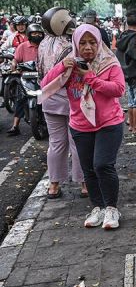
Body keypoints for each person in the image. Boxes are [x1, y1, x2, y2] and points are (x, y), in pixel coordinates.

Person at [41, 24, 126, 230]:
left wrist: (90, 78)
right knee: (88, 169)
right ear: (76, 44)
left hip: (109, 123)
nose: (88, 47)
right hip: (80, 125)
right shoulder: (70, 65)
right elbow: (46, 84)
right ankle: (97, 207)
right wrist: (62, 66)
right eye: (83, 43)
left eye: (92, 42)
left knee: (102, 165)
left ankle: (111, 208)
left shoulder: (109, 63)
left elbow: (118, 89)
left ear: (99, 43)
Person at [38, 8, 87, 199]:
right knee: (77, 143)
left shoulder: (42, 44)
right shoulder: (70, 45)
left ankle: (54, 185)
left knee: (56, 143)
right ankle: (84, 184)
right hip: (71, 100)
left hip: (48, 99)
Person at [6, 23, 43, 136]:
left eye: (39, 33)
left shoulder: (44, 47)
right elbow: (15, 60)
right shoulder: (22, 46)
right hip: (26, 77)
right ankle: (15, 125)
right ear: (29, 34)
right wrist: (14, 67)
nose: (37, 35)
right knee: (20, 99)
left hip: (42, 77)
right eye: (34, 33)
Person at [116, 10, 136, 134]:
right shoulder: (135, 38)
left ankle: (131, 125)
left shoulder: (122, 37)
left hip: (126, 72)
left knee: (131, 100)